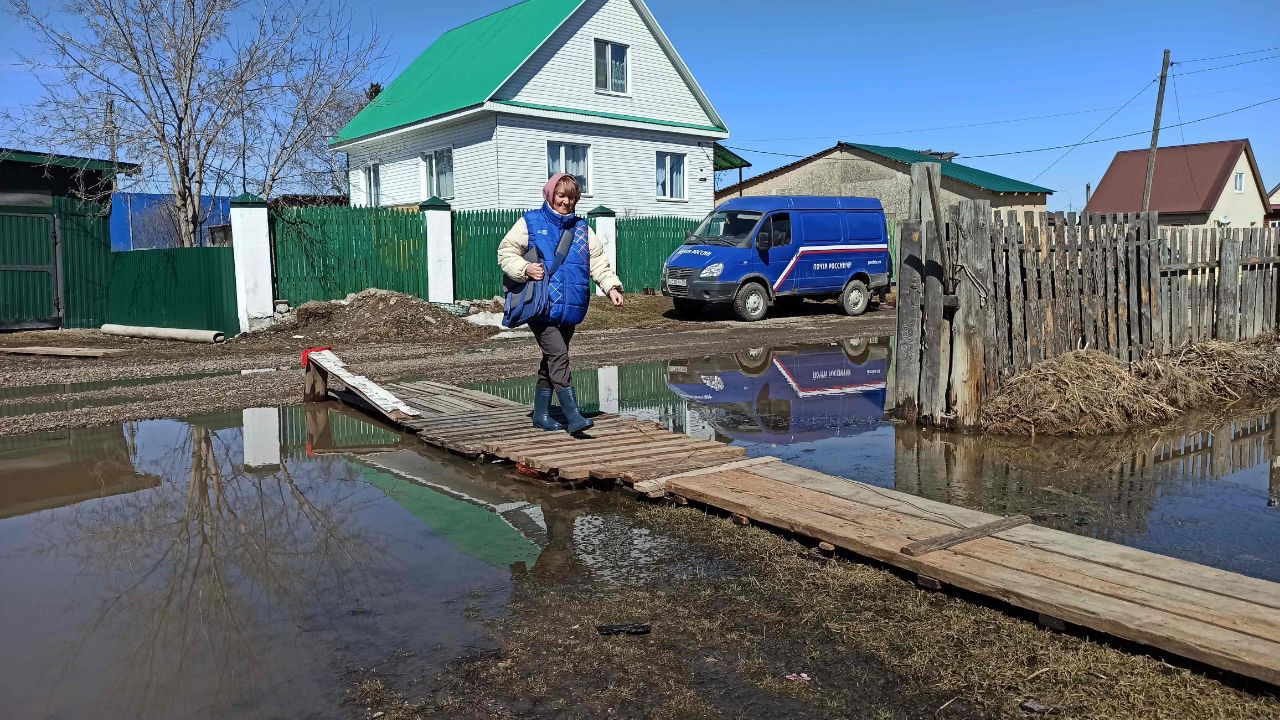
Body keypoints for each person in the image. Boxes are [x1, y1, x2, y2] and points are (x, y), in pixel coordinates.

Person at [497, 172, 624, 433]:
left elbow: (598, 261)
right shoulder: (530, 222)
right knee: (558, 356)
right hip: (541, 305)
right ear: (551, 194)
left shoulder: (581, 228)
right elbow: (506, 252)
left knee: (552, 360)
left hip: (571, 306)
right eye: (561, 195)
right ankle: (573, 414)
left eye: (572, 197)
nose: (566, 201)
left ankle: (541, 414)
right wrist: (525, 268)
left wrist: (610, 286)